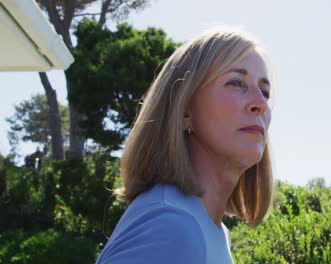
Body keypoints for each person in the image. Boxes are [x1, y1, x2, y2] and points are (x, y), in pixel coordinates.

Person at [96, 27, 274, 264]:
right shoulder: (172, 225)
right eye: (236, 83)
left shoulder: (208, 228)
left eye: (265, 91)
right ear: (184, 110)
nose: (260, 103)